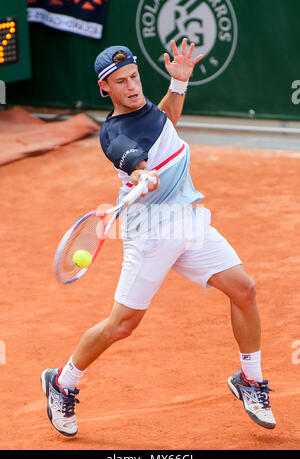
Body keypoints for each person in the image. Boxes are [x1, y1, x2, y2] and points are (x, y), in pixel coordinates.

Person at [41, 38, 276, 437]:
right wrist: (142, 174)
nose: (132, 86)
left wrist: (179, 84)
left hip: (187, 221)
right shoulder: (113, 135)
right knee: (122, 325)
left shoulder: (148, 109)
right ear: (105, 88)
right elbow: (133, 158)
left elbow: (165, 120)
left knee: (245, 289)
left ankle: (249, 380)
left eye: (134, 76)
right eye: (120, 81)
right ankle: (62, 382)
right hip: (149, 234)